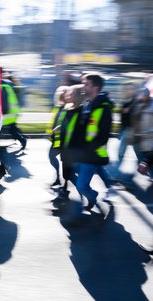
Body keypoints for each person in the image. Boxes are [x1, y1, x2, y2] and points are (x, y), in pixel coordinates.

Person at [61, 74, 113, 214]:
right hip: (84, 153)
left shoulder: (103, 107)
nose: (84, 86)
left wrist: (89, 149)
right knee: (76, 176)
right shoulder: (88, 104)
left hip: (93, 153)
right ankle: (102, 188)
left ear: (95, 87)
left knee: (82, 185)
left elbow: (103, 133)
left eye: (86, 84)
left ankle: (94, 197)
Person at [131, 88, 153, 184]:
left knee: (148, 158)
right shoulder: (139, 106)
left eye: (142, 95)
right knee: (144, 158)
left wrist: (147, 134)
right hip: (139, 136)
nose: (140, 97)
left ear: (147, 95)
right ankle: (152, 173)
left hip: (149, 138)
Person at [47, 86, 69, 188]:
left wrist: (59, 128)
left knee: (66, 163)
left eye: (63, 96)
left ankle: (64, 184)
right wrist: (51, 133)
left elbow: (68, 123)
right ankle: (58, 178)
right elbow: (54, 121)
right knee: (52, 157)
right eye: (60, 96)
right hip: (56, 140)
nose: (61, 98)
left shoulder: (69, 109)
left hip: (65, 141)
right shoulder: (58, 107)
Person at [1, 70, 27, 150]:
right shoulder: (10, 85)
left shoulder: (4, 86)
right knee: (12, 128)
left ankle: (22, 139)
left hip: (9, 112)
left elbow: (4, 100)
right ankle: (21, 138)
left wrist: (4, 111)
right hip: (13, 111)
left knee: (10, 129)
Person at [115, 82, 138, 171]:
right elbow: (121, 116)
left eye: (131, 89)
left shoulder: (136, 102)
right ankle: (152, 172)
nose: (128, 91)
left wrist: (130, 110)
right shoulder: (125, 101)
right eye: (127, 89)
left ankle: (117, 171)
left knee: (121, 151)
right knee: (139, 153)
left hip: (131, 130)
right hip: (125, 129)